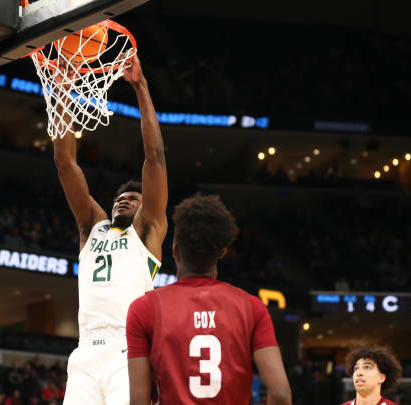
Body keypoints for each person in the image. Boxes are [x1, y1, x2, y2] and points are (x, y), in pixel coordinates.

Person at [53, 55, 167, 405]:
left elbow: (155, 158)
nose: (124, 201)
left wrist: (141, 87)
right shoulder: (92, 228)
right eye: (121, 197)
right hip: (85, 353)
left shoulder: (146, 232)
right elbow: (65, 162)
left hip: (126, 351)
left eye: (133, 199)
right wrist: (63, 92)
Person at [126, 194, 292, 405]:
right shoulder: (252, 307)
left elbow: (138, 401)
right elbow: (280, 394)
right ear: (222, 252)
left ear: (175, 250)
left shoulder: (144, 308)